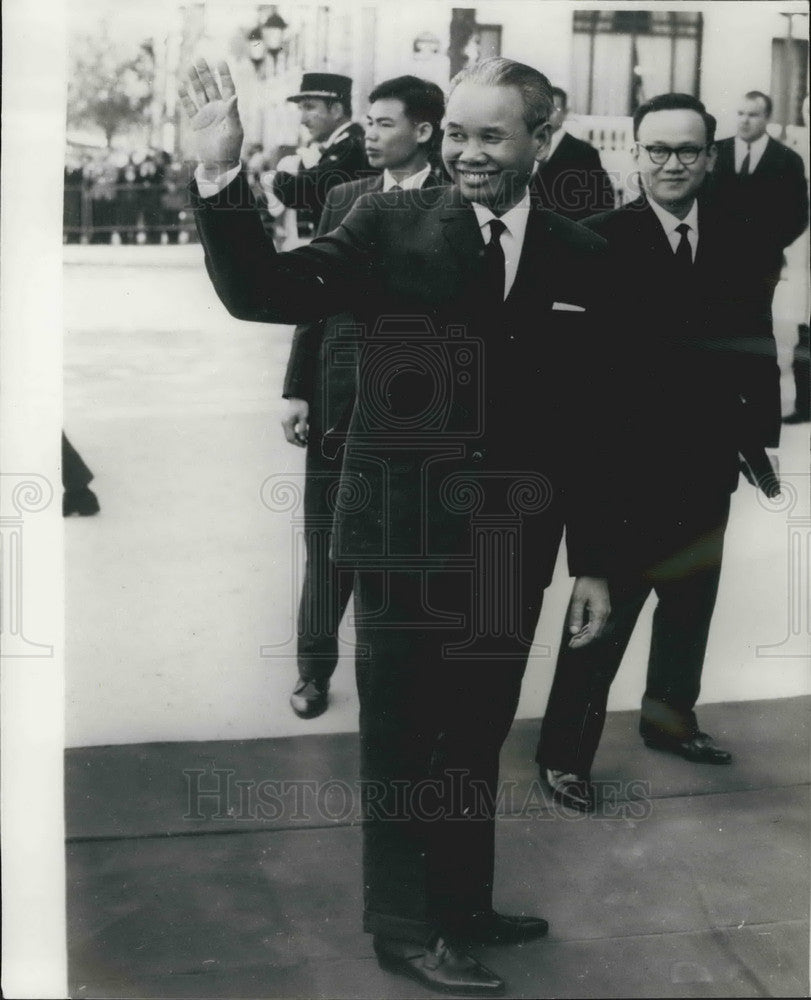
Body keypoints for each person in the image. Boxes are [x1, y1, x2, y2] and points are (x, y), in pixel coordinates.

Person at [180, 55, 613, 996]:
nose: (466, 153)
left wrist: (598, 563)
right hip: (401, 533)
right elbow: (261, 291)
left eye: (492, 135)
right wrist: (219, 179)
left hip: (511, 548)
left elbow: (594, 423)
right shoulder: (383, 221)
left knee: (473, 735)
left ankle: (462, 905)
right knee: (404, 738)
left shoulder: (583, 253)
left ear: (546, 133)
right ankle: (407, 928)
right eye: (455, 132)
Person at [535, 93, 782, 813]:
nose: (670, 164)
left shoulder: (741, 238)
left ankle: (669, 719)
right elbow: (572, 381)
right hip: (619, 470)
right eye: (657, 150)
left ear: (710, 157)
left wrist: (755, 438)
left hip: (705, 465)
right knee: (601, 609)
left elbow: (755, 344)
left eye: (686, 151)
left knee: (688, 604)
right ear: (633, 153)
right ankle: (562, 756)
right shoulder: (593, 240)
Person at [281, 75, 447, 718]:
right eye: (368, 123)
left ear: (424, 131)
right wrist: (298, 389)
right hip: (336, 401)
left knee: (400, 552)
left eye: (384, 123)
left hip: (415, 411)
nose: (370, 134)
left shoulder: (455, 199)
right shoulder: (345, 195)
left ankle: (392, 686)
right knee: (324, 546)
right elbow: (312, 302)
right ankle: (311, 672)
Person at [711, 90, 809, 425]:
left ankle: (758, 416)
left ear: (766, 118)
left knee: (756, 331)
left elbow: (798, 215)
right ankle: (718, 408)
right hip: (714, 259)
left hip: (760, 265)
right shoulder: (716, 153)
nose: (744, 120)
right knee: (716, 328)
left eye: (752, 114)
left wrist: (767, 246)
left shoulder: (786, 160)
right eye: (739, 112)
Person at [264, 72, 369, 234]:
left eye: (309, 107)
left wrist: (273, 177)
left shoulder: (351, 146)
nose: (303, 120)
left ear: (336, 110)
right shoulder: (342, 143)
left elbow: (301, 191)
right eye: (301, 109)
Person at [530, 87, 615, 221]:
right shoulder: (528, 147)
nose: (547, 114)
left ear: (565, 112)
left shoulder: (584, 152)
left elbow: (603, 201)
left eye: (554, 109)